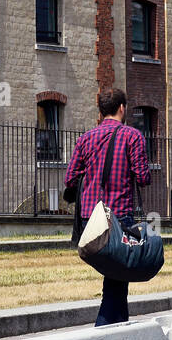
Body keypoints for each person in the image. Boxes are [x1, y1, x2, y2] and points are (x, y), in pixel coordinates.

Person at [64, 88, 151, 326]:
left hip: (89, 219)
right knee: (118, 272)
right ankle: (102, 326)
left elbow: (70, 179)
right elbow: (143, 178)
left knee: (116, 275)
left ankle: (120, 326)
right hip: (118, 216)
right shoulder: (133, 137)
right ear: (122, 108)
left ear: (101, 111)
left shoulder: (86, 138)